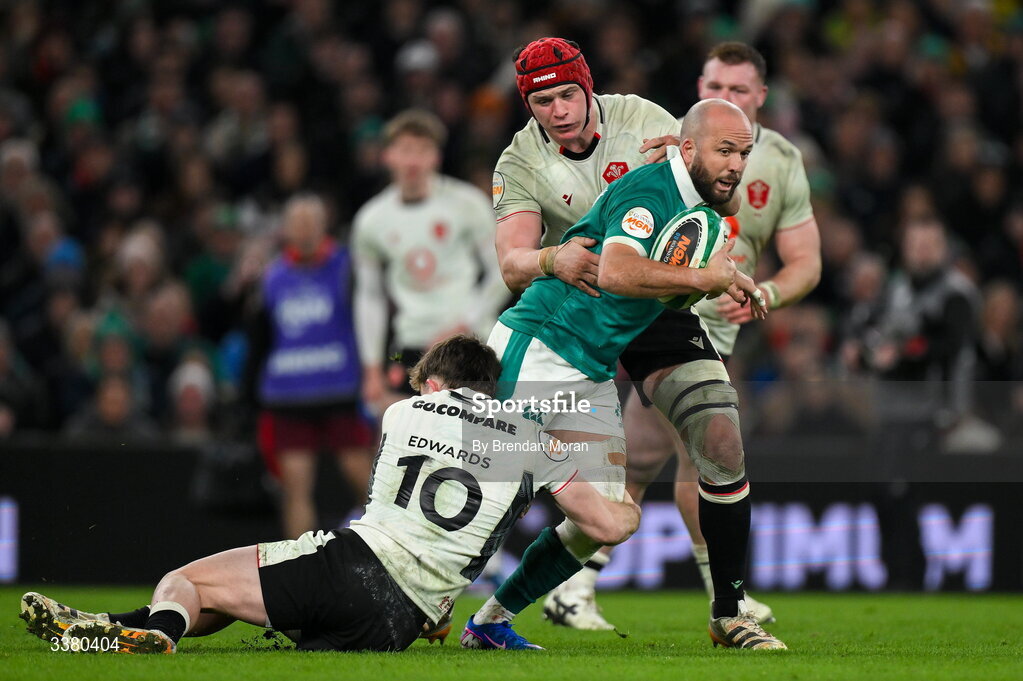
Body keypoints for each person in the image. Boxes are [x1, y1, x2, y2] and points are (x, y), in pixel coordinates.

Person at [19, 334, 642, 654]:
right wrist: (630, 501)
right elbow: (607, 526)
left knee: (186, 579)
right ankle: (106, 628)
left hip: (352, 568)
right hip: (403, 621)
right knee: (229, 599)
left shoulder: (403, 414)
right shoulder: (534, 441)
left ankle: (147, 632)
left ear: (437, 380)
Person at [479, 37, 776, 643]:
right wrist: (551, 258)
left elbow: (709, 188)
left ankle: (728, 612)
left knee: (702, 441)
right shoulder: (518, 162)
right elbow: (511, 264)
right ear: (528, 106)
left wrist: (729, 270)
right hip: (565, 315)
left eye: (568, 93)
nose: (560, 110)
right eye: (543, 101)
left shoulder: (644, 117)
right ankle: (430, 590)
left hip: (648, 305)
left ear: (588, 86)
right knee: (489, 483)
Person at [591, 41, 822, 626]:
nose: (726, 98)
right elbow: (616, 249)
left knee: (648, 458)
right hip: (655, 319)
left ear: (761, 98)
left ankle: (582, 583)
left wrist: (763, 292)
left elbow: (807, 262)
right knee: (703, 451)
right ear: (699, 88)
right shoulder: (665, 144)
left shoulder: (780, 161)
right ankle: (725, 599)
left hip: (716, 323)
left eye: (739, 90)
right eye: (715, 87)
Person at [353, 109, 507, 411]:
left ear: (436, 157)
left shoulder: (467, 204)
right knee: (401, 439)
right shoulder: (371, 219)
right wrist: (371, 367)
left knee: (478, 436)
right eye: (406, 150)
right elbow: (369, 296)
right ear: (388, 156)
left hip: (470, 341)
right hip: (411, 346)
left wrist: (467, 320)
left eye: (423, 150)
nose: (413, 161)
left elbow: (501, 268)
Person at [244, 194, 373, 539]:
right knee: (295, 490)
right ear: (285, 229)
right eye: (296, 223)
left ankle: (389, 557)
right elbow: (260, 336)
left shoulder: (348, 267)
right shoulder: (271, 276)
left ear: (323, 225)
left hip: (339, 388)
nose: (303, 231)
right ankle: (294, 571)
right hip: (290, 394)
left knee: (366, 483)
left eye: (309, 223)